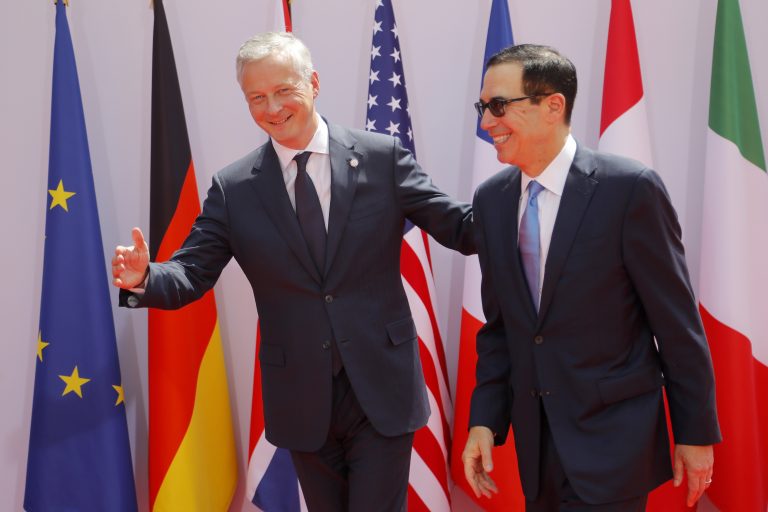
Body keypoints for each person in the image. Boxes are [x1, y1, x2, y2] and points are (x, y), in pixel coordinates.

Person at [112, 32, 474, 511]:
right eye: (257, 98)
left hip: (381, 385)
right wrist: (144, 279)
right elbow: (191, 273)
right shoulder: (235, 188)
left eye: (284, 91)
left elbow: (458, 227)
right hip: (300, 395)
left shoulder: (381, 158)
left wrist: (523, 187)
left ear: (314, 83)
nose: (273, 108)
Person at [461, 44, 720, 512]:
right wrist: (485, 421)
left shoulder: (629, 189)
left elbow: (676, 323)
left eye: (499, 106)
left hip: (613, 442)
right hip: (536, 449)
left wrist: (696, 433)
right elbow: (502, 327)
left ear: (552, 105)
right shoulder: (491, 200)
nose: (486, 122)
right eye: (484, 107)